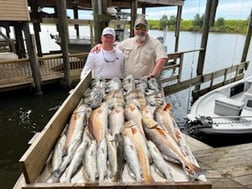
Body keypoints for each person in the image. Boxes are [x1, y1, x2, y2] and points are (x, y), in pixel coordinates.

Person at [91, 16, 168, 79]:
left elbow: (162, 58)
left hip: (146, 82)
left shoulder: (155, 43)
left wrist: (152, 75)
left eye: (143, 28)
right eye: (138, 28)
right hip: (127, 82)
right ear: (134, 29)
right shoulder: (126, 42)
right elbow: (112, 49)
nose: (140, 31)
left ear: (147, 30)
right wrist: (100, 45)